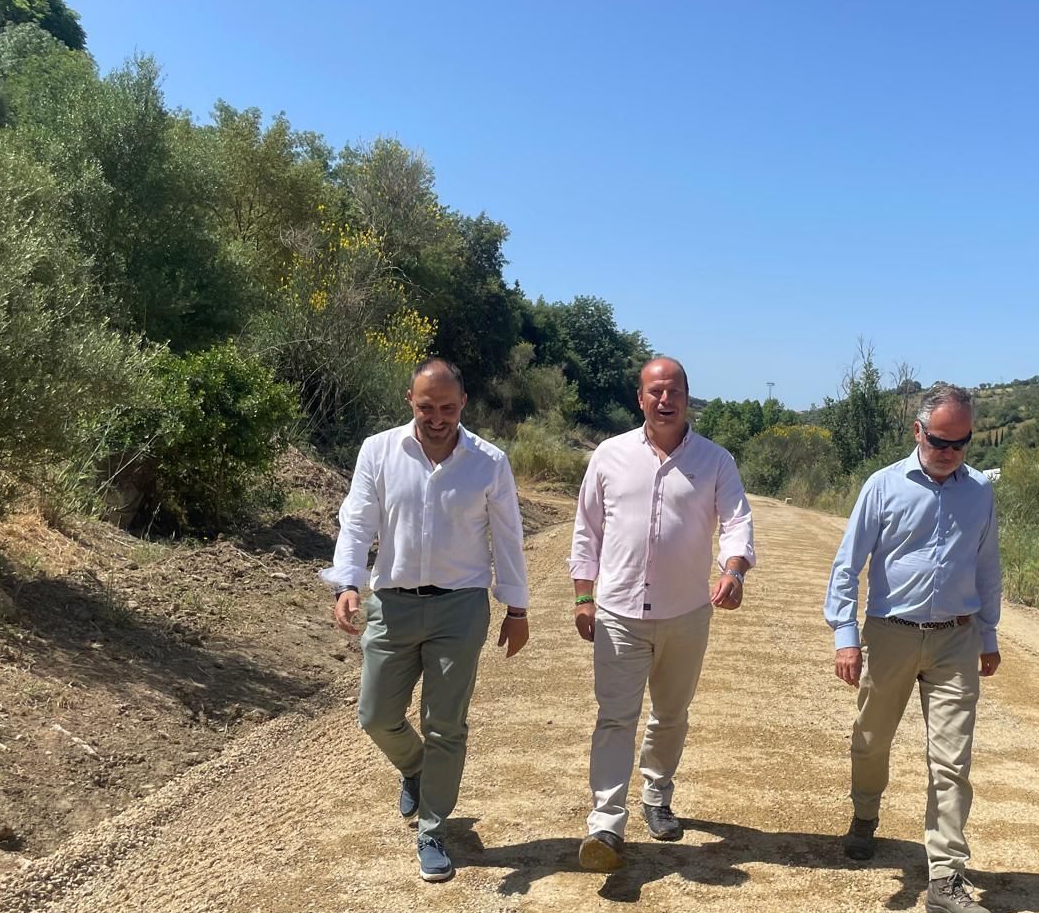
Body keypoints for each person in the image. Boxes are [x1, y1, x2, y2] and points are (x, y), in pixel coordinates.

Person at [323, 358, 531, 883]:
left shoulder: (489, 462)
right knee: (375, 715)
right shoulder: (379, 451)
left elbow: (507, 538)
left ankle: (433, 830)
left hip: (459, 607)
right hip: (390, 603)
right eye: (425, 407)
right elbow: (357, 521)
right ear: (409, 402)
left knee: (447, 724)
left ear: (463, 404)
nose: (436, 417)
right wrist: (349, 583)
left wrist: (517, 606)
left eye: (446, 407)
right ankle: (416, 768)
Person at [824, 382, 1002, 913]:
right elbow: (846, 564)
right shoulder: (882, 487)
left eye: (962, 443)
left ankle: (946, 877)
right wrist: (845, 634)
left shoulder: (980, 493)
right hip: (890, 632)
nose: (950, 453)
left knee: (952, 760)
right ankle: (865, 813)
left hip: (956, 637)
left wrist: (989, 634)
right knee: (871, 738)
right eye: (941, 441)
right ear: (918, 432)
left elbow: (987, 567)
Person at [569, 357, 755, 872]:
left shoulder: (716, 461)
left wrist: (733, 570)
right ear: (640, 398)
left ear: (688, 396)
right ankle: (606, 822)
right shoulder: (608, 456)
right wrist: (584, 595)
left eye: (674, 391)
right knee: (614, 718)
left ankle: (656, 793)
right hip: (619, 612)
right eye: (655, 391)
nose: (665, 400)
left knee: (670, 714)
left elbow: (738, 522)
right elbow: (587, 531)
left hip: (686, 612)